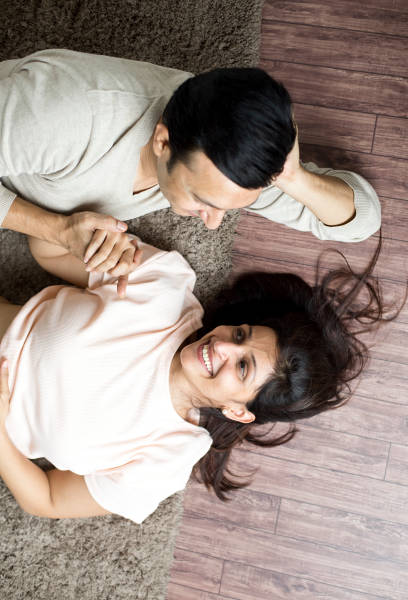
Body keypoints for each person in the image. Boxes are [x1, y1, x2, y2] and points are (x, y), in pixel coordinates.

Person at [0, 234, 388, 522]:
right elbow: (48, 248)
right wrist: (85, 232)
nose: (222, 346)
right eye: (241, 334)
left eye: (242, 367)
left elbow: (48, 499)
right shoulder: (164, 283)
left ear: (238, 412)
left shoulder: (167, 459)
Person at [0, 49, 381, 296]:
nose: (213, 224)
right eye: (204, 201)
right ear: (162, 142)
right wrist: (55, 229)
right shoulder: (62, 114)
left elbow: (361, 222)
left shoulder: (224, 160)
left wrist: (293, 177)